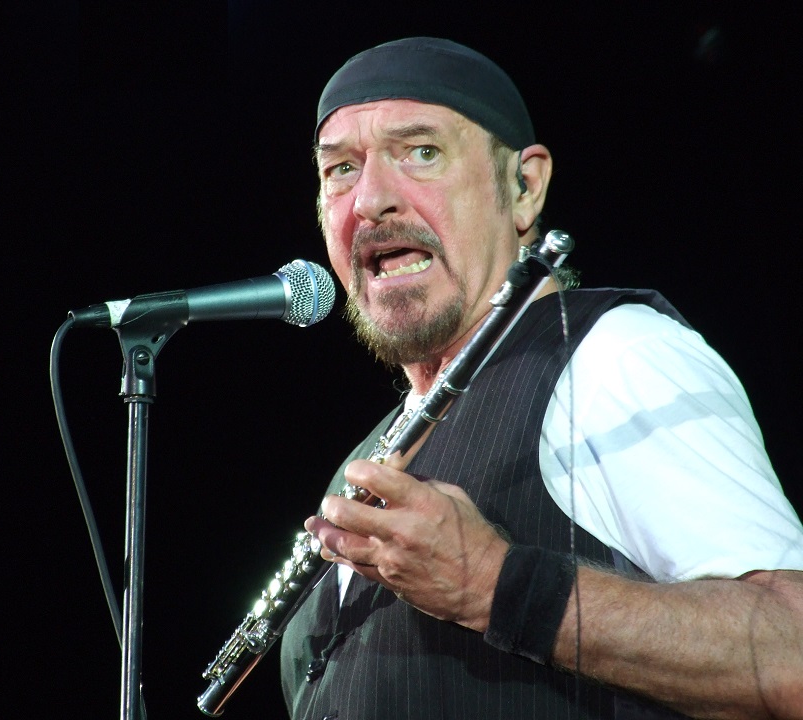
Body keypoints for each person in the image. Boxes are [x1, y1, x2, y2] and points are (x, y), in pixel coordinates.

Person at [278, 37, 803, 720]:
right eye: (341, 169)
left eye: (422, 152)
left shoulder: (616, 356)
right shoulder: (367, 453)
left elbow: (792, 652)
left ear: (524, 187)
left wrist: (494, 584)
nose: (370, 200)